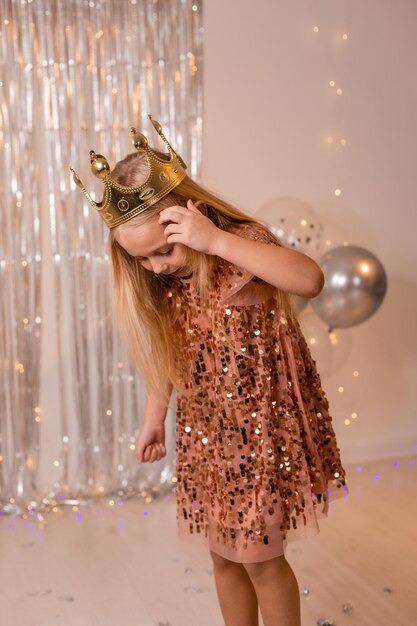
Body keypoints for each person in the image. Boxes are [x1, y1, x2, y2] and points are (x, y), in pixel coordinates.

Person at [71, 116, 348, 626]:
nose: (157, 267)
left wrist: (214, 241)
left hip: (262, 437)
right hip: (209, 440)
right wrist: (155, 416)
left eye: (164, 250)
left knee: (262, 561)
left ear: (190, 216)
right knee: (222, 557)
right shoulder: (168, 284)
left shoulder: (241, 246)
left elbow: (309, 279)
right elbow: (171, 353)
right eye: (145, 260)